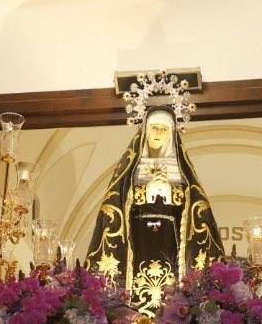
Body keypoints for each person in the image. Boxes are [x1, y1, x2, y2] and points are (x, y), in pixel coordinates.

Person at [85, 106, 225, 312]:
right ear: (145, 131)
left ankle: (178, 311)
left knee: (173, 299)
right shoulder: (130, 171)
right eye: (154, 127)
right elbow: (113, 209)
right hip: (137, 244)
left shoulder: (181, 171)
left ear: (171, 134)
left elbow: (198, 212)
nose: (158, 133)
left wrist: (168, 193)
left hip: (172, 246)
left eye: (164, 129)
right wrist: (146, 191)